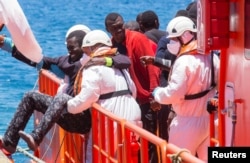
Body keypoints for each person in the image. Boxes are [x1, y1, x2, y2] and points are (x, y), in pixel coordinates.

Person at [0, 25, 131, 157]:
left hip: (84, 119)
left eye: (73, 48)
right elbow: (37, 60)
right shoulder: (66, 61)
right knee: (30, 97)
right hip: (66, 111)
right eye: (68, 49)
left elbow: (124, 60)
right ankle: (9, 143)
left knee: (62, 98)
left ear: (85, 47)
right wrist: (5, 44)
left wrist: (104, 60)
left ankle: (36, 137)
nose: (70, 53)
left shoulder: (93, 61)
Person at [141, 16, 220, 162]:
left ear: (186, 36)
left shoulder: (183, 61)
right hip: (210, 121)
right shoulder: (212, 57)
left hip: (186, 123)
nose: (172, 43)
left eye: (175, 39)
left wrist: (157, 93)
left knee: (178, 159)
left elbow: (174, 93)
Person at [104, 12, 160, 163]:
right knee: (132, 139)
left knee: (149, 139)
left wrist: (154, 94)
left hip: (145, 99)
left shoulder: (137, 39)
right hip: (128, 102)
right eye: (114, 28)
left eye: (120, 26)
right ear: (108, 29)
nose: (119, 30)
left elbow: (152, 68)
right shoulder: (111, 46)